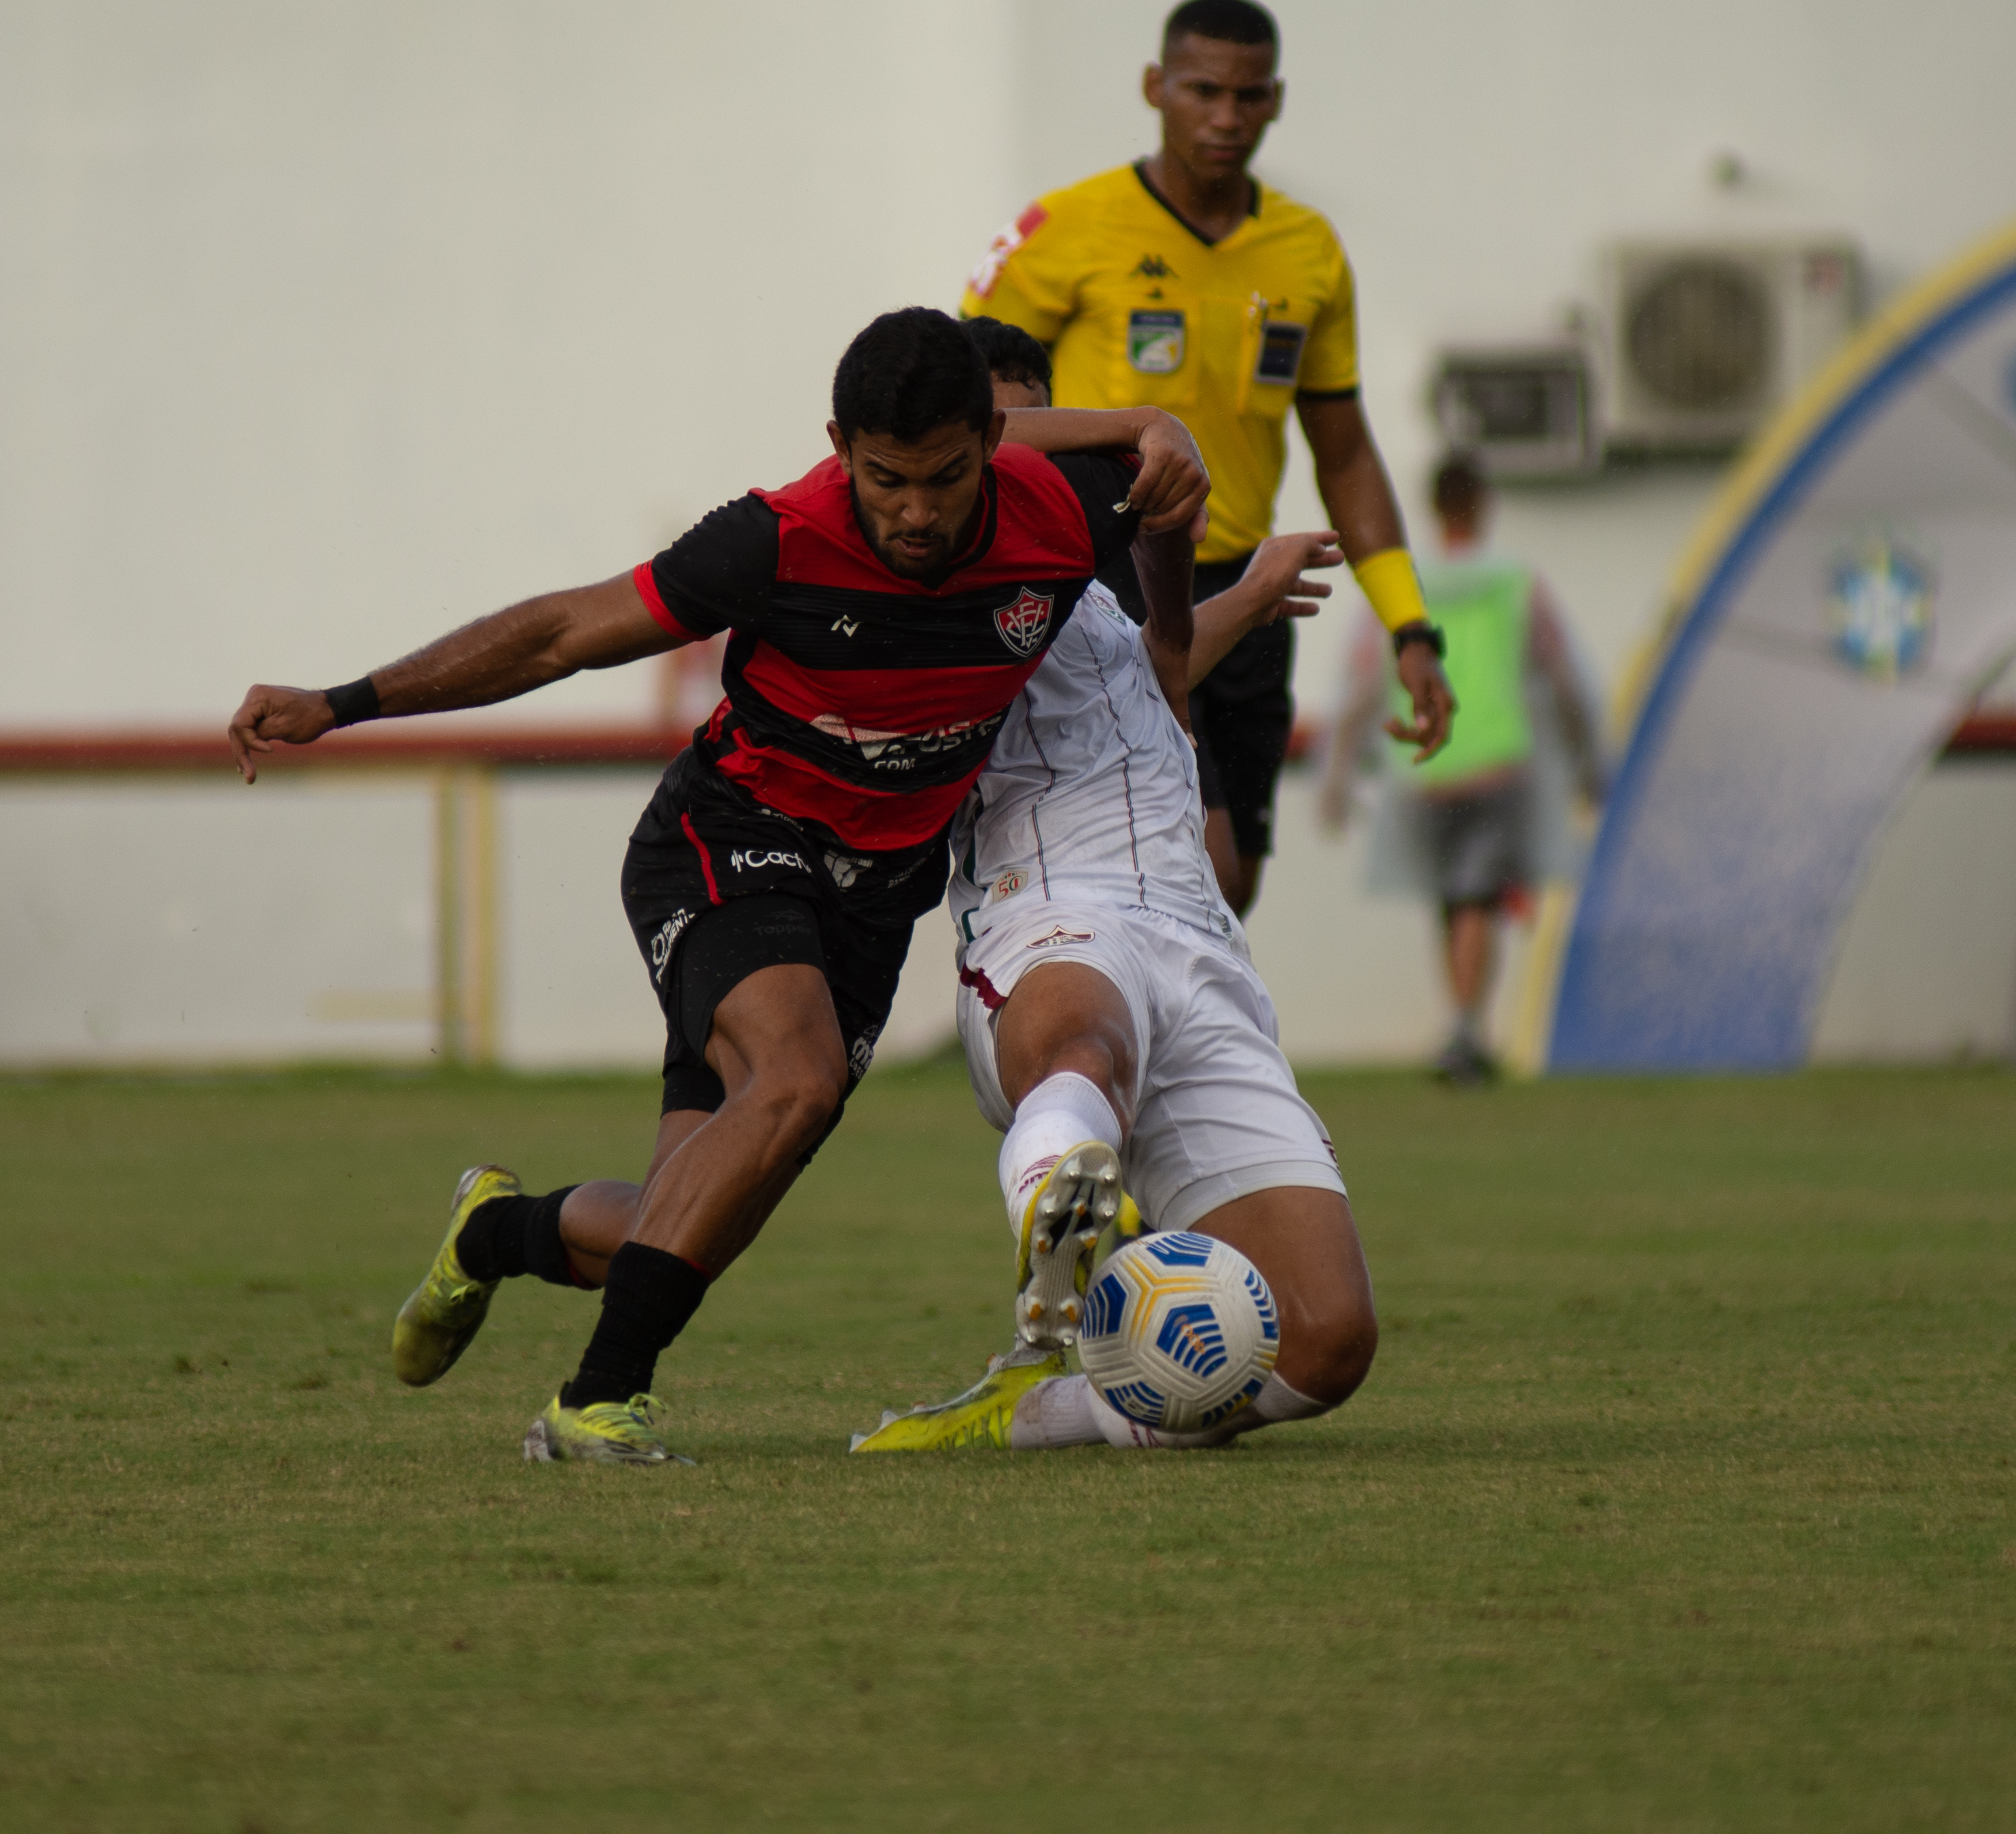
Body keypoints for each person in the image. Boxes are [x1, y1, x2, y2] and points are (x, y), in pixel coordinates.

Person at [225, 308, 1208, 1465]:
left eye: (945, 478)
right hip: (731, 836)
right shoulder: (776, 540)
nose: (915, 512)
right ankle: (594, 1407)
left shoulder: (1063, 508)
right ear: (838, 445)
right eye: (885, 480)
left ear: (995, 442)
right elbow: (560, 634)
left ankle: (493, 1231)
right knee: (790, 1082)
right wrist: (345, 703)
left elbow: (1158, 515)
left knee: (673, 1222)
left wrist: (1167, 499)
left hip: (873, 902)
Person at [843, 314, 1377, 1452]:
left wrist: (1242, 581)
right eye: (1002, 436)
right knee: (1087, 1039)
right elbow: (1047, 458)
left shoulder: (1075, 586)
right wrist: (1138, 424)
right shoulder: (911, 578)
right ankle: (1055, 1194)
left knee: (1327, 1341)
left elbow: (1156, 667)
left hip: (1199, 944)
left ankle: (1050, 1409)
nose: (1034, 463)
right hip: (1050, 914)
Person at [960, 0, 1450, 920]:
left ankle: (1121, 1036)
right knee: (1200, 863)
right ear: (1157, 88)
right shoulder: (1065, 228)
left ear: (1276, 102)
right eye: (1204, 92)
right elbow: (960, 422)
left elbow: (1343, 454)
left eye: (1249, 96)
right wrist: (1123, 432)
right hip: (1115, 580)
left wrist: (1410, 629)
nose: (1226, 117)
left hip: (1252, 582)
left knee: (1232, 887)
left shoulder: (1309, 252)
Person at [1320, 455, 1604, 1083]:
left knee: (1456, 899)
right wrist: (1589, 761)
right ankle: (1467, 1031)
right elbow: (1564, 677)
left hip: (1423, 763)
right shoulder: (1515, 582)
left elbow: (1362, 682)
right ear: (1483, 505)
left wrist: (1337, 777)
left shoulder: (1404, 587)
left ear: (1433, 506)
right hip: (1497, 757)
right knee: (1476, 896)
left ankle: (1464, 1027)